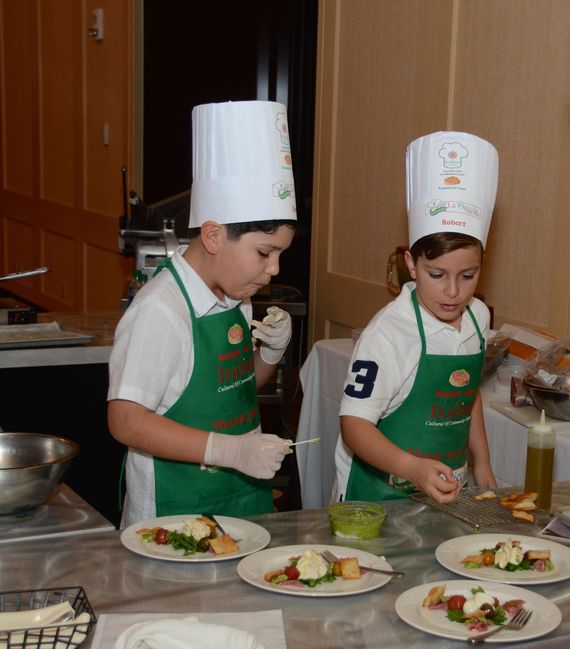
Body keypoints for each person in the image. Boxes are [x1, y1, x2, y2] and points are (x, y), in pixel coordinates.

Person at [108, 101, 297, 528]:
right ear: (213, 235)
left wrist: (269, 356)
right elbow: (126, 420)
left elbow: (236, 387)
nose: (274, 269)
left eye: (281, 254)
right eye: (265, 252)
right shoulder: (160, 310)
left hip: (243, 503)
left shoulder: (236, 297)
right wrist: (230, 451)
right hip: (175, 515)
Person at [334, 131, 499, 504]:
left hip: (447, 490)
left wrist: (482, 462)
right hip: (380, 495)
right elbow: (354, 426)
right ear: (411, 263)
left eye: (468, 276)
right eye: (436, 275)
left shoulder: (478, 317)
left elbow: (466, 392)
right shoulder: (389, 333)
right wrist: (411, 468)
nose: (453, 292)